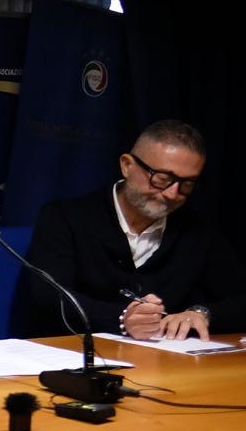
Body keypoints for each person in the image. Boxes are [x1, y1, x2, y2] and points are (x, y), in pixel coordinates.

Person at [25, 120, 246, 340]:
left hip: (164, 357)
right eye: (161, 179)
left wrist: (203, 313)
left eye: (186, 184)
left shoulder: (198, 231)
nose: (172, 193)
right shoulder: (65, 217)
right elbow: (49, 296)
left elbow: (240, 298)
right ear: (127, 165)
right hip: (76, 351)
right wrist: (122, 319)